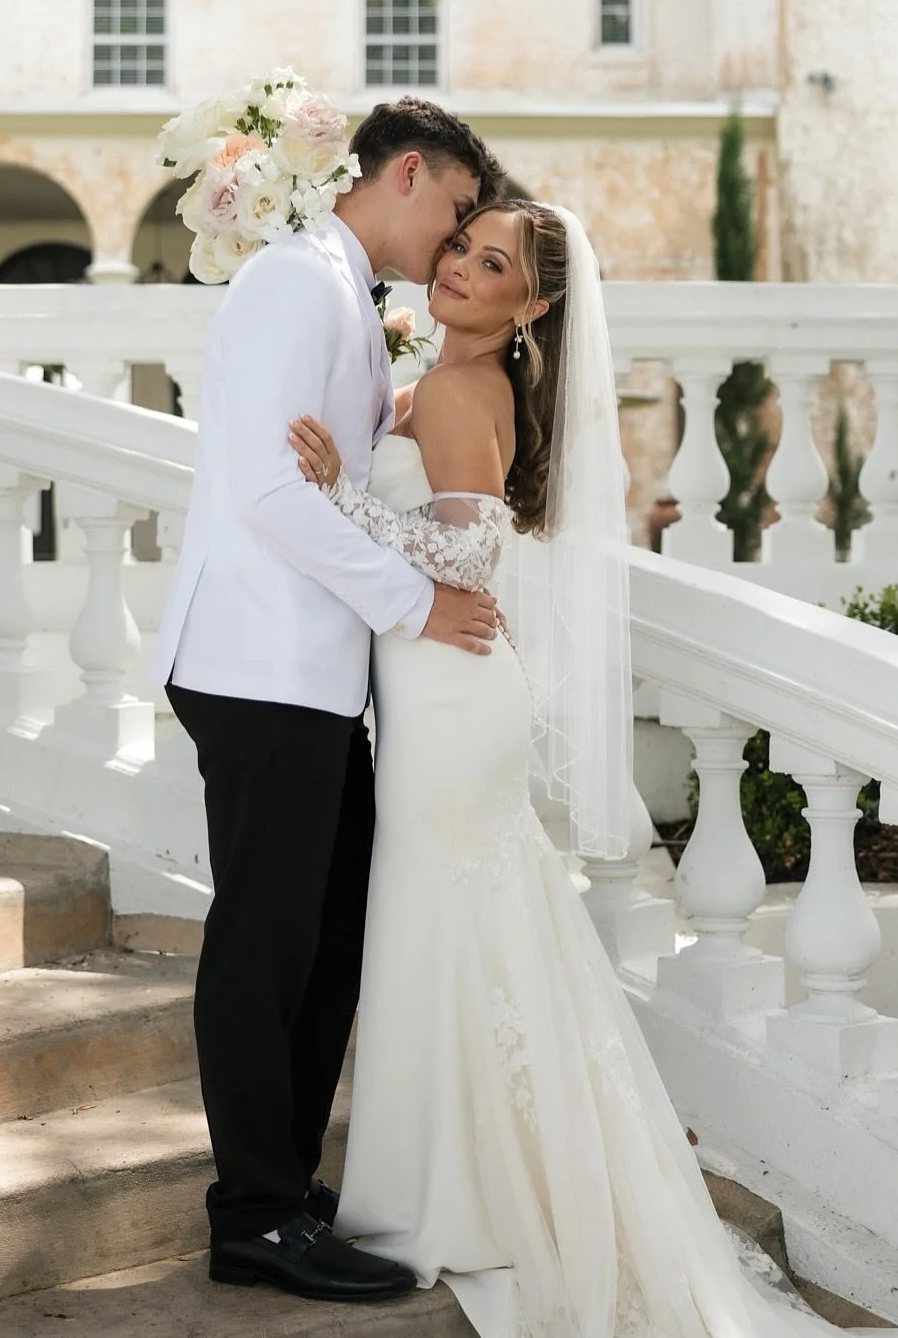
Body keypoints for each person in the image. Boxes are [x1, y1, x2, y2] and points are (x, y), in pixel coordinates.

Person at [286, 200, 842, 1338]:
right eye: (461, 245)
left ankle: (445, 1197)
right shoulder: (449, 386)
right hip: (449, 695)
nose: (457, 268)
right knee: (464, 929)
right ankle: (469, 1178)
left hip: (450, 701)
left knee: (437, 926)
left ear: (531, 306)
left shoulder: (454, 388)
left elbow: (470, 550)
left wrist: (339, 490)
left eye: (491, 264)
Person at [149, 95, 505, 1304]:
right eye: (456, 213)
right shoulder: (297, 281)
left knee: (326, 942)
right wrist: (416, 603)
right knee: (265, 947)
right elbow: (268, 492)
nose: (455, 244)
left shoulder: (346, 296)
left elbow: (335, 477)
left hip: (311, 673)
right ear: (408, 172)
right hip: (257, 663)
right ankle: (251, 1213)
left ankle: (285, 1187)